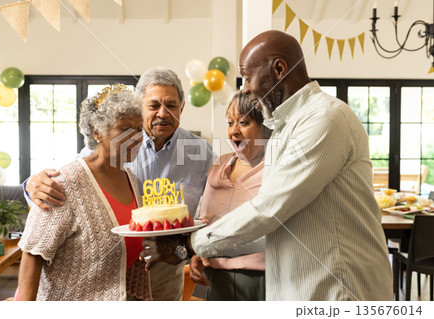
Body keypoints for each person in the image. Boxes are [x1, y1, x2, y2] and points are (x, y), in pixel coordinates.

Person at [140, 30, 394, 301]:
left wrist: (189, 244)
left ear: (279, 69)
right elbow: (277, 230)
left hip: (339, 289)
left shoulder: (324, 118)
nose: (245, 88)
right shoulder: (285, 128)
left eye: (248, 77)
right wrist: (197, 250)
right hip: (302, 288)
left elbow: (269, 209)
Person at [24, 67, 216, 301]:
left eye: (172, 105)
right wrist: (31, 184)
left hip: (169, 265)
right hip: (115, 268)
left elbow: (216, 204)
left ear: (182, 108)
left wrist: (191, 250)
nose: (163, 113)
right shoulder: (117, 144)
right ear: (141, 106)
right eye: (154, 105)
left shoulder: (201, 152)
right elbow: (75, 177)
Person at [18, 85, 151, 300]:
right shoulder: (65, 182)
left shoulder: (130, 179)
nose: (135, 138)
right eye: (125, 130)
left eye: (139, 130)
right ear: (97, 131)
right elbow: (33, 252)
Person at [190, 91, 272, 301]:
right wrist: (196, 255)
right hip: (213, 278)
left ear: (264, 127)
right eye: (230, 123)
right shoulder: (218, 165)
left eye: (243, 123)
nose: (234, 131)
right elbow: (203, 221)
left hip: (259, 280)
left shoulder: (275, 168)